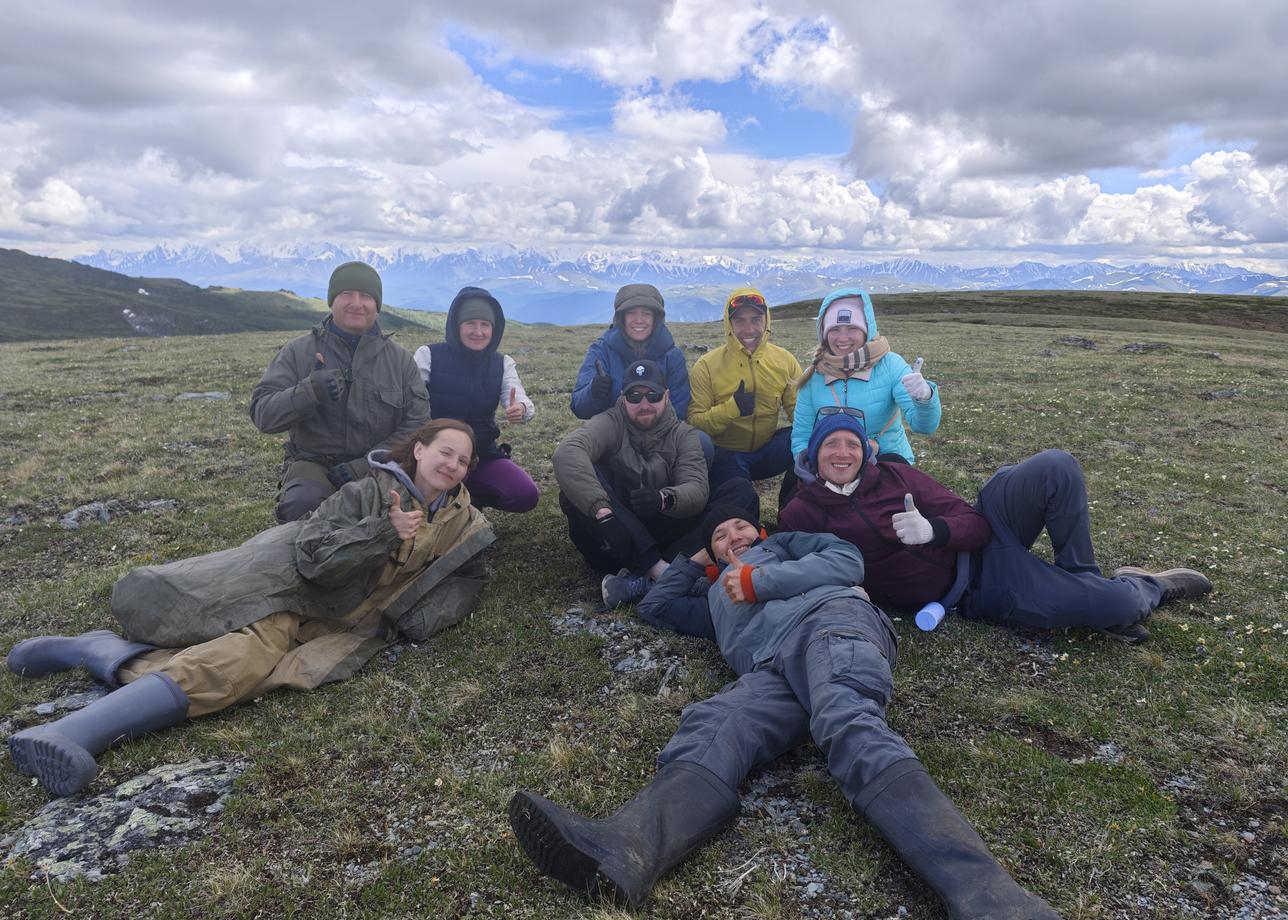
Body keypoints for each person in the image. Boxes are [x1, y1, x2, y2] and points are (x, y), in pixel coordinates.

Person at [509, 504, 1059, 918]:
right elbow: (655, 605)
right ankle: (626, 849)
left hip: (831, 624)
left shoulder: (788, 546)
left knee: (848, 723)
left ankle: (994, 899)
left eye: (741, 528)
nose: (733, 537)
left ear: (761, 532)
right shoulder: (714, 596)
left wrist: (759, 575)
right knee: (714, 723)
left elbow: (846, 560)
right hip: (769, 670)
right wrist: (702, 559)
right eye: (721, 535)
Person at [7, 419, 494, 797]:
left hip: (339, 623)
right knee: (243, 660)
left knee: (253, 668)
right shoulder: (367, 491)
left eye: (463, 460)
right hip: (298, 592)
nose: (451, 464)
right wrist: (384, 531)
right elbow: (316, 558)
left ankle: (100, 652)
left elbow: (463, 579)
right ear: (420, 449)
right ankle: (71, 730)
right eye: (444, 451)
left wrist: (417, 621)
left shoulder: (464, 522)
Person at [778, 411, 1211, 642]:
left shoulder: (894, 475)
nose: (842, 452)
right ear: (813, 456)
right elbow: (797, 574)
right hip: (977, 588)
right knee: (1120, 606)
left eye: (851, 443)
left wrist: (934, 531)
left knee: (1055, 465)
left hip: (987, 539)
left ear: (864, 452)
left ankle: (1082, 580)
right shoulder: (801, 514)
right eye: (830, 444)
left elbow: (974, 522)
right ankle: (1146, 587)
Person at [553, 359, 758, 608]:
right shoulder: (610, 421)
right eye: (634, 396)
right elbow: (568, 451)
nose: (644, 403)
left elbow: (695, 488)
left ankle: (645, 580)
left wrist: (664, 499)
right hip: (615, 540)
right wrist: (603, 513)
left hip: (669, 531)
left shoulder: (683, 434)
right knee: (577, 487)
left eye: (653, 394)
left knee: (740, 492)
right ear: (623, 397)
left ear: (667, 396)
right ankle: (665, 573)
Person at [251, 261, 429, 523]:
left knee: (392, 515)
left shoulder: (401, 362)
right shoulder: (297, 351)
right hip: (313, 464)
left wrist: (364, 465)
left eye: (366, 296)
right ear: (332, 301)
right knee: (302, 506)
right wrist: (309, 391)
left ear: (377, 307)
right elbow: (263, 414)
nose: (356, 303)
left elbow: (417, 426)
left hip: (378, 465)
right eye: (346, 293)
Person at [413, 286, 540, 514]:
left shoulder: (502, 363)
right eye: (470, 323)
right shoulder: (428, 356)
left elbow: (520, 399)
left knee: (525, 494)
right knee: (428, 507)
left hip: (481, 454)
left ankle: (470, 502)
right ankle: (448, 505)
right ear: (456, 325)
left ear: (494, 328)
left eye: (485, 325)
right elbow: (409, 402)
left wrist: (520, 408)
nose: (478, 331)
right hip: (435, 456)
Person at [790, 287, 940, 469]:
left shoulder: (891, 366)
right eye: (835, 329)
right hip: (834, 464)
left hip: (885, 460)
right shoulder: (814, 375)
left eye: (852, 328)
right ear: (824, 333)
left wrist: (924, 398)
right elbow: (802, 436)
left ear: (867, 331)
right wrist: (812, 467)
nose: (843, 338)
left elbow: (924, 426)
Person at [688, 288, 801, 488]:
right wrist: (732, 409)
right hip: (727, 455)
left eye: (756, 319)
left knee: (809, 445)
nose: (749, 330)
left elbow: (800, 412)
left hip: (768, 451)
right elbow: (696, 424)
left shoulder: (785, 361)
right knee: (741, 496)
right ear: (728, 325)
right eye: (740, 321)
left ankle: (794, 512)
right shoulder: (706, 366)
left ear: (766, 321)